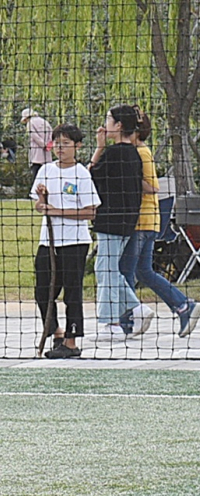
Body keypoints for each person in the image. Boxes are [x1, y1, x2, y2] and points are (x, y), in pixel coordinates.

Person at [122, 115, 195, 336]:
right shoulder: (139, 151)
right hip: (147, 221)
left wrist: (127, 176)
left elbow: (152, 187)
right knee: (143, 272)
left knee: (124, 271)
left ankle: (129, 319)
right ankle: (183, 306)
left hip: (142, 222)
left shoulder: (140, 152)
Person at [31, 125, 98, 359]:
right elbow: (39, 205)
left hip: (74, 241)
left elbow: (90, 212)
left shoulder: (81, 174)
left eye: (66, 143)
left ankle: (71, 341)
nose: (60, 148)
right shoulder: (46, 170)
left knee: (72, 291)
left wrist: (56, 210)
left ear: (77, 146)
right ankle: (55, 331)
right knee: (43, 290)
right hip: (48, 242)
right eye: (57, 143)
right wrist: (42, 200)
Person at [88, 106, 146, 340]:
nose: (105, 124)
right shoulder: (134, 153)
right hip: (126, 220)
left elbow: (88, 175)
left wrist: (99, 147)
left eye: (109, 120)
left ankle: (111, 323)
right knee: (107, 268)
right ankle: (137, 308)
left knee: (105, 270)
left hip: (111, 220)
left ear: (119, 125)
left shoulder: (113, 154)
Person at [23, 108, 54, 180]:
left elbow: (34, 136)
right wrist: (49, 144)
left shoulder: (30, 123)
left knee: (36, 176)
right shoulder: (45, 122)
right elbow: (51, 134)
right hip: (47, 153)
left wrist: (43, 144)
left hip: (36, 153)